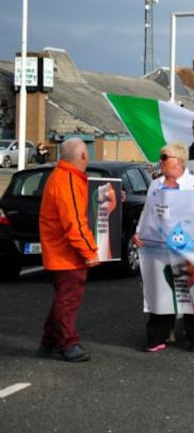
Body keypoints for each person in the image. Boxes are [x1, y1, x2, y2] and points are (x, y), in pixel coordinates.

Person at [132, 142, 194, 352]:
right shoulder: (156, 185)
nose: (161, 161)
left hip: (187, 248)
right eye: (161, 157)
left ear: (179, 161)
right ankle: (157, 336)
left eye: (165, 157)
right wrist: (139, 233)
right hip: (159, 248)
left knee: (191, 291)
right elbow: (147, 213)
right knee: (160, 291)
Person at [37, 138, 100, 362]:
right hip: (66, 254)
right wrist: (90, 252)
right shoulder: (69, 180)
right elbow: (74, 222)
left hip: (59, 251)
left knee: (63, 298)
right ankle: (68, 343)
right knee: (68, 300)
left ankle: (49, 341)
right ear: (83, 156)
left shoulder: (61, 177)